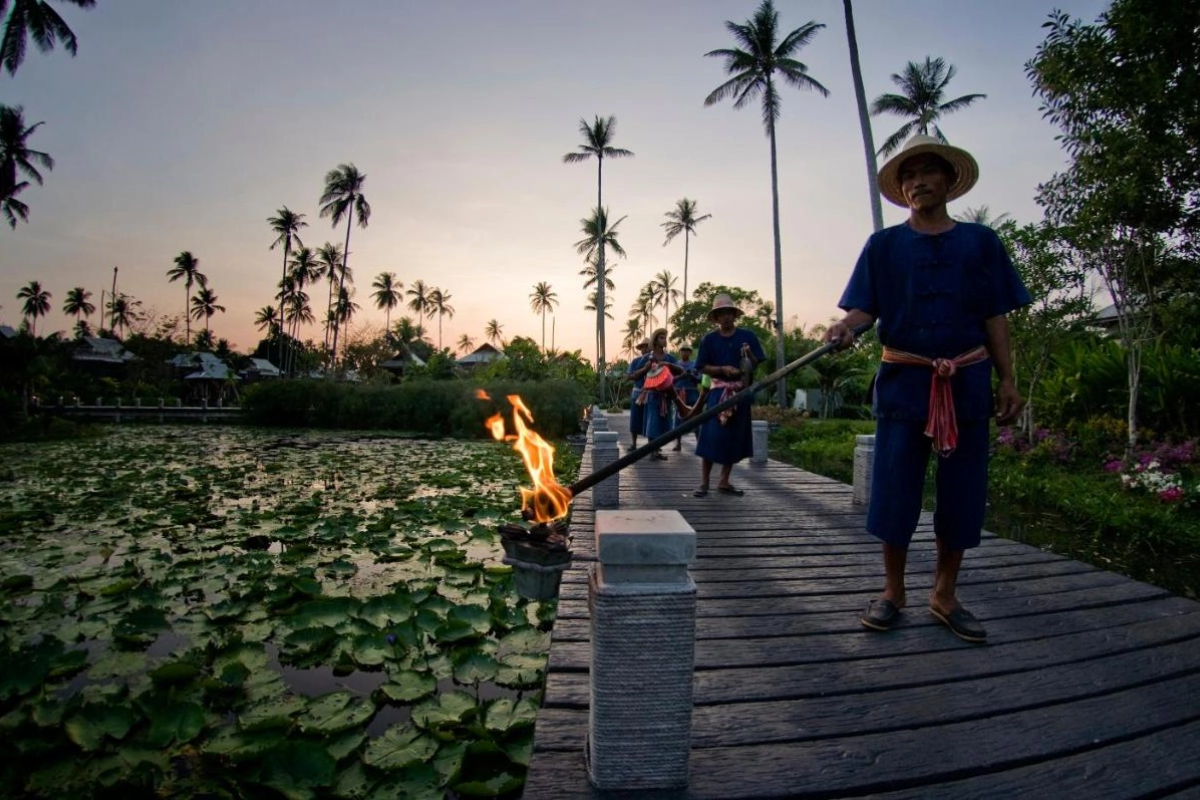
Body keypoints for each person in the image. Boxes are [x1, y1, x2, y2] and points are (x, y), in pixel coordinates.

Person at [824, 134, 1030, 644]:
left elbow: (994, 315)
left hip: (967, 379)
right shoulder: (883, 246)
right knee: (895, 487)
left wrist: (1008, 379)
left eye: (928, 172)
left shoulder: (981, 242)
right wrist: (845, 326)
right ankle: (892, 591)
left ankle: (945, 593)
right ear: (902, 188)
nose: (918, 181)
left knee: (962, 491)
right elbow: (865, 309)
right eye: (909, 175)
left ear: (948, 181)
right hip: (904, 382)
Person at [693, 294, 766, 497]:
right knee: (711, 437)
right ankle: (704, 482)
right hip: (718, 393)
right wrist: (722, 369)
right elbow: (702, 367)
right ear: (716, 318)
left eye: (729, 313)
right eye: (721, 314)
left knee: (735, 438)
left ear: (734, 315)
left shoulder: (748, 337)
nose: (726, 317)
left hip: (740, 393)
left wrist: (748, 355)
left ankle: (724, 480)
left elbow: (755, 364)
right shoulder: (709, 340)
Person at [628, 328, 682, 460]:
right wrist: (646, 368)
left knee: (664, 423)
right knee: (652, 422)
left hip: (665, 395)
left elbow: (680, 370)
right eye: (661, 338)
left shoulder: (669, 358)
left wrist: (668, 365)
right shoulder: (648, 358)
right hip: (652, 395)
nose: (664, 340)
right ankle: (652, 450)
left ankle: (657, 449)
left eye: (665, 337)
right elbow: (633, 375)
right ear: (656, 340)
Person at [671, 344, 699, 451]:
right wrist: (681, 376)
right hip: (679, 394)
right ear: (680, 352)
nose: (685, 352)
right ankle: (678, 443)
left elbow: (699, 378)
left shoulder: (694, 364)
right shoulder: (676, 365)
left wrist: (691, 376)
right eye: (683, 350)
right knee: (678, 418)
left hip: (692, 393)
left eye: (687, 350)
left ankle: (698, 442)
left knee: (696, 417)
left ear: (690, 352)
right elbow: (671, 379)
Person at [626, 338, 651, 451]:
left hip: (651, 393)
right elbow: (630, 376)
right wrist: (643, 370)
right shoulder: (636, 361)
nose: (645, 349)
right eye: (643, 347)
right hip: (638, 393)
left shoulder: (655, 360)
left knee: (651, 419)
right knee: (635, 419)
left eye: (647, 346)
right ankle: (634, 443)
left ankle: (652, 445)